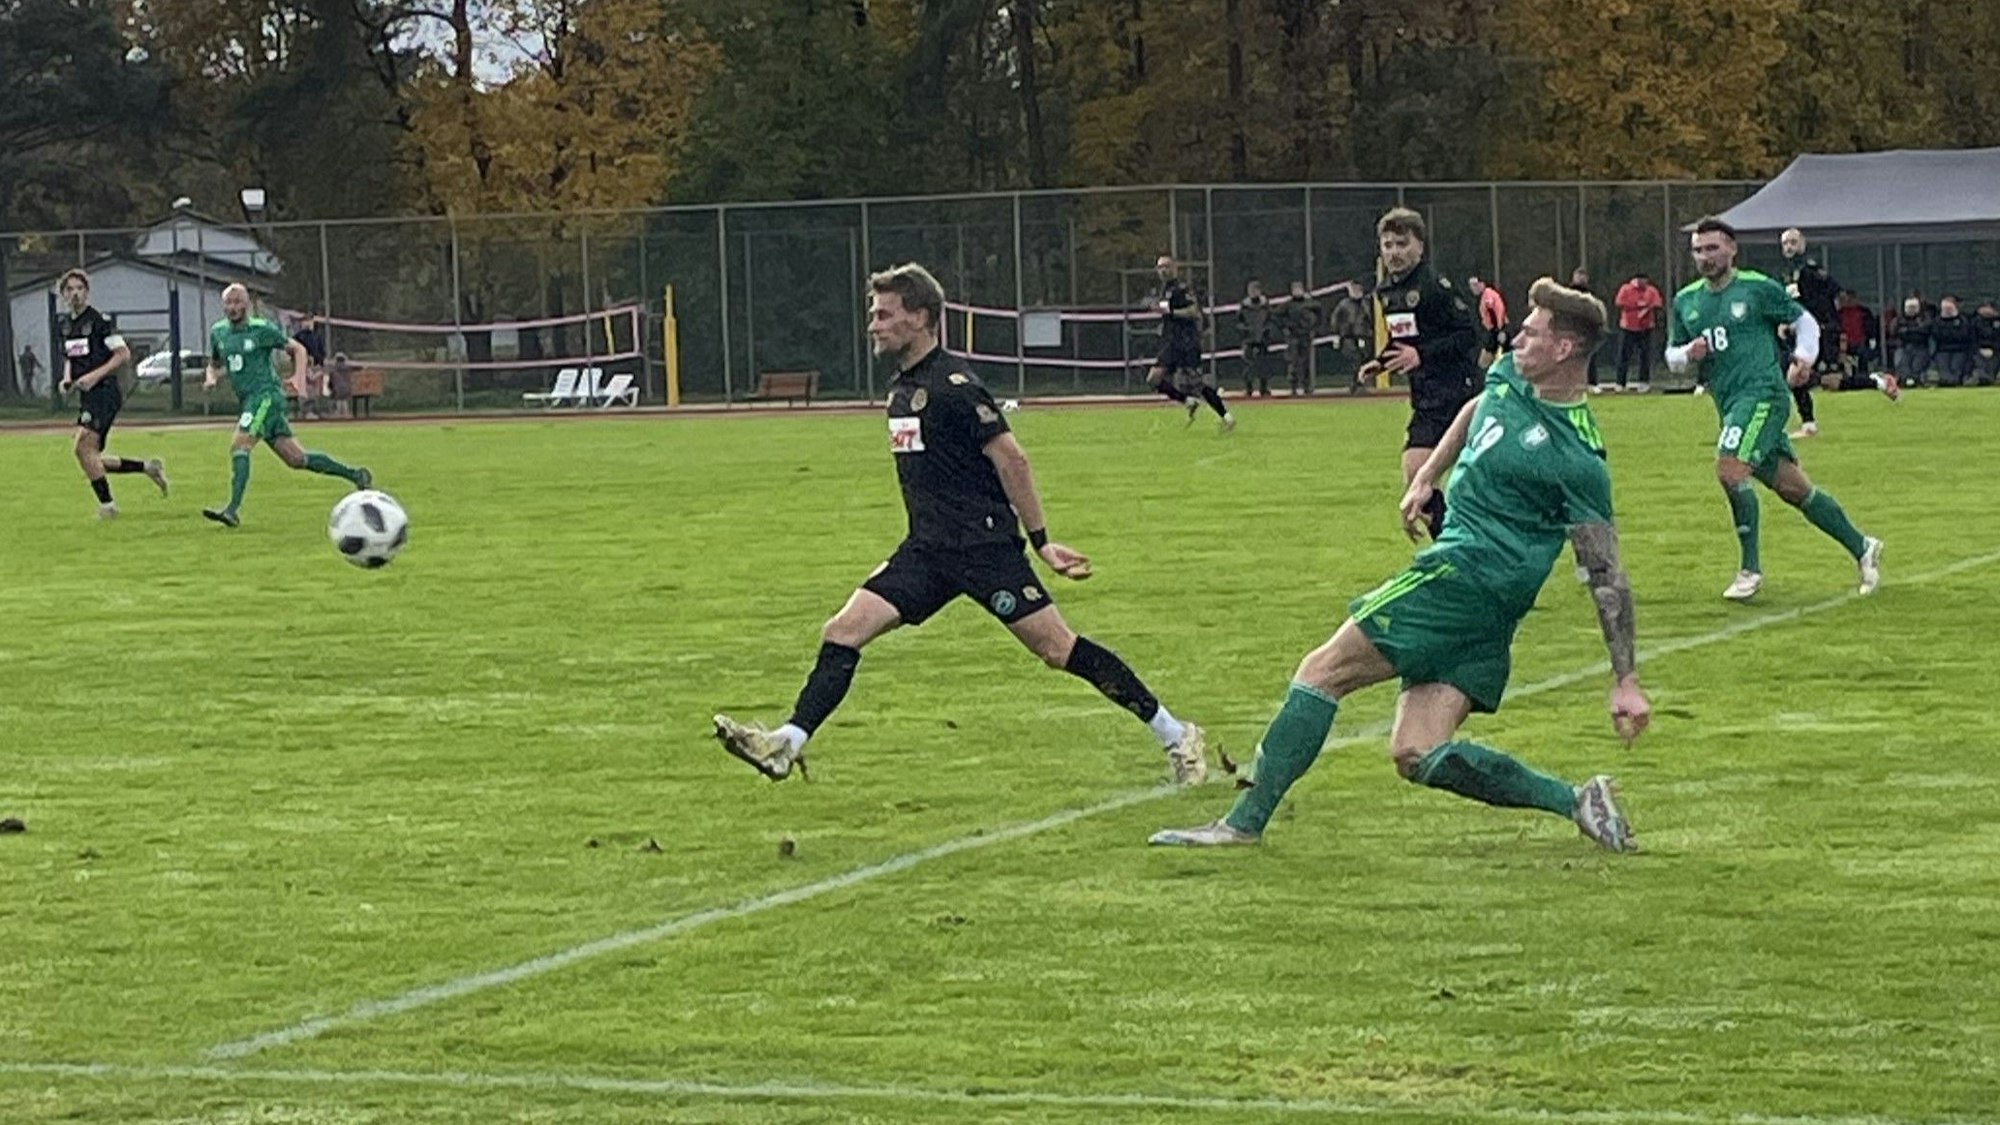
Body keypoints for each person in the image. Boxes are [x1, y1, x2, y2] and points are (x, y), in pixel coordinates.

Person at [1149, 278, 1646, 852]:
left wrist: (1626, 680)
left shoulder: (1578, 457)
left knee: (1321, 672)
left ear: (1564, 350)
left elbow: (1605, 573)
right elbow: (1478, 406)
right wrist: (1428, 476)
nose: (1515, 343)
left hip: (1462, 578)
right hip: (1487, 605)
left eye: (1530, 336)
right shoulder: (1513, 377)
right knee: (1417, 753)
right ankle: (1577, 801)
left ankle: (1241, 823)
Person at [712, 263, 1211, 786]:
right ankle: (785, 745)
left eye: (885, 314)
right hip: (927, 551)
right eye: (873, 313)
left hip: (983, 549)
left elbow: (1012, 459)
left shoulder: (954, 386)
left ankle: (1177, 735)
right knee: (843, 631)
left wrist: (1040, 542)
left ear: (921, 317)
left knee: (1058, 649)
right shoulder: (904, 388)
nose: (874, 324)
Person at [1666, 218, 1882, 603]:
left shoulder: (1757, 288)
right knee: (1794, 489)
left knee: (1729, 470)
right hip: (1729, 402)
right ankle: (1862, 546)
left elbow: (1805, 321)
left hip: (1764, 395)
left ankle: (1749, 570)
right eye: (1699, 250)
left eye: (1713, 248)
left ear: (1732, 249)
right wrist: (1687, 354)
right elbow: (1672, 355)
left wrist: (1804, 356)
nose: (1705, 257)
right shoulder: (1686, 300)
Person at [201, 284, 373, 528]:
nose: (233, 307)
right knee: (296, 459)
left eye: (238, 302)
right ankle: (356, 475)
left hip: (266, 396)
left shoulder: (261, 329)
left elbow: (298, 349)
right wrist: (211, 377)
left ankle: (232, 510)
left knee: (240, 444)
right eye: (228, 303)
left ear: (247, 304)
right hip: (249, 400)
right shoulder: (218, 332)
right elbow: (214, 362)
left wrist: (297, 377)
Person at [1359, 208, 1480, 539]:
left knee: (1472, 478)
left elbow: (1467, 334)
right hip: (1426, 395)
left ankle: (1466, 542)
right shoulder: (1385, 292)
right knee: (1416, 475)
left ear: (1420, 247)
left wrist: (1422, 355)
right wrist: (1382, 362)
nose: (1394, 252)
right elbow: (1405, 339)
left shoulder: (1434, 286)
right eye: (1387, 245)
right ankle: (1453, 546)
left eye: (1402, 243)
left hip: (1458, 391)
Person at [54, 269, 168, 518]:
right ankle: (147, 467)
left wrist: (95, 376)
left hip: (105, 392)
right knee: (91, 458)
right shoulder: (64, 325)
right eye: (70, 289)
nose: (75, 294)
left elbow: (123, 354)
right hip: (87, 395)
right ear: (63, 294)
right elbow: (69, 358)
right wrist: (66, 379)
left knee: (82, 449)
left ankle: (108, 506)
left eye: (79, 288)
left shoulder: (99, 322)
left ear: (87, 292)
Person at [1143, 255, 1232, 430]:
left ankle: (1226, 417)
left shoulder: (1182, 288)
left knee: (1196, 383)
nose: (1163, 271)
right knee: (1153, 379)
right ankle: (1187, 402)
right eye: (1160, 267)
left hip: (1186, 342)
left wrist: (1171, 312)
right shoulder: (1164, 290)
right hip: (1170, 342)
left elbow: (1193, 311)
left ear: (1175, 268)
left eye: (1167, 266)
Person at [1780, 229, 1842, 436]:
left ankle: (1874, 380)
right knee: (1795, 375)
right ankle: (1808, 423)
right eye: (1786, 243)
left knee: (1805, 375)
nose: (1789, 246)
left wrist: (1820, 321)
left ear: (1802, 244)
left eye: (1793, 242)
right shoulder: (1787, 271)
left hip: (1813, 330)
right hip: (1797, 330)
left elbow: (1830, 292)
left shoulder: (1809, 270)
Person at [1831, 290, 1897, 397]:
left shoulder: (1863, 312)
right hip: (1844, 344)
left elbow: (1870, 327)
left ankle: (1864, 379)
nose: (1849, 301)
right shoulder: (1839, 314)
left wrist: (1872, 340)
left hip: (1861, 343)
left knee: (1863, 354)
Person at [1612, 272, 1664, 392]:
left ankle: (1644, 382)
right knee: (1624, 356)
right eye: (1641, 281)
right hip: (1628, 327)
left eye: (1645, 281)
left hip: (1646, 328)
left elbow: (1657, 303)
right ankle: (1620, 382)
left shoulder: (1651, 290)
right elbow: (1619, 302)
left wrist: (1647, 307)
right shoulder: (1626, 289)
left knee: (1645, 356)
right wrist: (1637, 305)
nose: (1644, 283)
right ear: (1636, 280)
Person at [1235, 279, 1275, 397]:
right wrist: (1246, 331)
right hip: (1249, 339)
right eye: (1250, 290)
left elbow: (1271, 320)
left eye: (1255, 290)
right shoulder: (1244, 306)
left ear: (1259, 291)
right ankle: (1249, 389)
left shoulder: (1265, 306)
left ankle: (1264, 388)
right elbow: (1238, 322)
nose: (1252, 292)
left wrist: (1266, 332)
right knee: (1248, 364)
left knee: (1264, 364)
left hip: (1263, 339)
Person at [1929, 295, 1978, 388]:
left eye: (1949, 308)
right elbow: (1937, 335)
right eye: (1945, 309)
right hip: (1942, 351)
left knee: (1956, 371)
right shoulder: (1937, 321)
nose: (1947, 311)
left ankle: (1954, 380)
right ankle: (1947, 381)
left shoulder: (1963, 320)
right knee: (1944, 372)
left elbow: (1963, 335)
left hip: (1959, 351)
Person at [1891, 296, 1933, 388]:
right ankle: (1905, 381)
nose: (1911, 310)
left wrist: (1907, 330)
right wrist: (1915, 330)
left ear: (1919, 308)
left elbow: (1925, 331)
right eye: (1909, 307)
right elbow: (1894, 332)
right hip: (1903, 347)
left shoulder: (1925, 319)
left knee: (1917, 365)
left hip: (1920, 347)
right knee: (1901, 362)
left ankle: (1914, 381)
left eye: (1914, 307)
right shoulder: (1898, 319)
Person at [1468, 276, 1509, 368]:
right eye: (1471, 286)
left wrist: (1500, 330)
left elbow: (1495, 313)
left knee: (1485, 363)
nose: (1473, 288)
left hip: (1495, 331)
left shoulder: (1488, 296)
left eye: (1475, 285)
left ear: (1482, 284)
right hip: (1494, 331)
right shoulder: (1484, 296)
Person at [292, 315, 328, 418]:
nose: (308, 324)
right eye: (305, 321)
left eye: (310, 321)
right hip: (303, 367)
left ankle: (315, 410)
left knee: (315, 391)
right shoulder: (298, 337)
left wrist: (321, 363)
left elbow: (321, 351)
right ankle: (306, 411)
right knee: (305, 390)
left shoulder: (316, 336)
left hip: (315, 366)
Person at [1976, 301, 2000, 386]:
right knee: (1980, 362)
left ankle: (1990, 379)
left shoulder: (1997, 322)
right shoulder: (1975, 321)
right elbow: (1972, 338)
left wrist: (1993, 349)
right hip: (1978, 350)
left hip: (1995, 351)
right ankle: (1983, 378)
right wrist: (1980, 349)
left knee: (1993, 364)